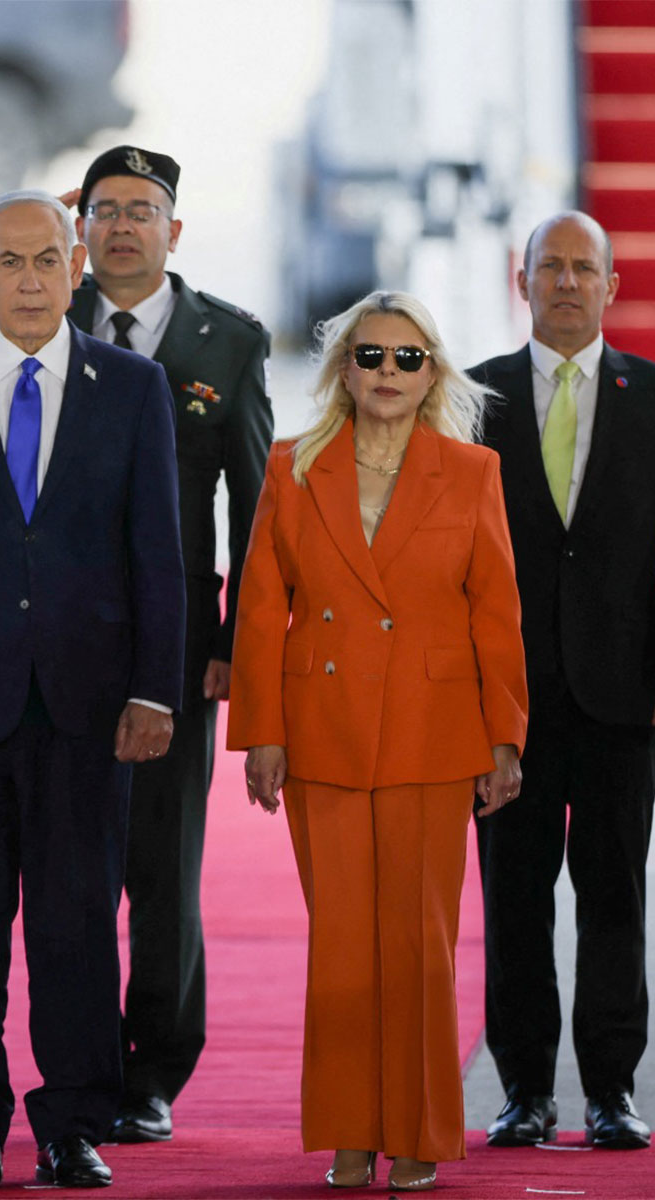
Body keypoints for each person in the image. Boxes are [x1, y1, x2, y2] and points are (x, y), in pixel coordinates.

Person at [0, 144, 271, 1142]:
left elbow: (247, 506)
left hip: (147, 653)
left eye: (142, 209)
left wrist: (235, 644)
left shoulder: (216, 343)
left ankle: (134, 1084)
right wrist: (7, 227)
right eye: (99, 210)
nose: (118, 225)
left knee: (138, 885)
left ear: (170, 230)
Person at [229, 291, 527, 1192]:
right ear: (343, 369)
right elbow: (257, 609)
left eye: (408, 358)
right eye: (370, 357)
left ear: (433, 371)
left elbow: (497, 615)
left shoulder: (471, 469)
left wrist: (506, 739)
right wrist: (260, 735)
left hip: (437, 737)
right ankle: (351, 1130)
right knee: (344, 944)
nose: (387, 373)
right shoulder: (293, 465)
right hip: (322, 734)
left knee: (420, 943)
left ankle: (421, 1133)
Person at [471, 211, 655, 1152]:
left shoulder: (651, 396)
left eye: (588, 269)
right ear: (524, 279)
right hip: (506, 707)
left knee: (616, 897)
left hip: (625, 702)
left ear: (612, 285)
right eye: (554, 268)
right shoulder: (470, 399)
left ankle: (615, 1090)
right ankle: (525, 1091)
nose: (570, 284)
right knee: (514, 902)